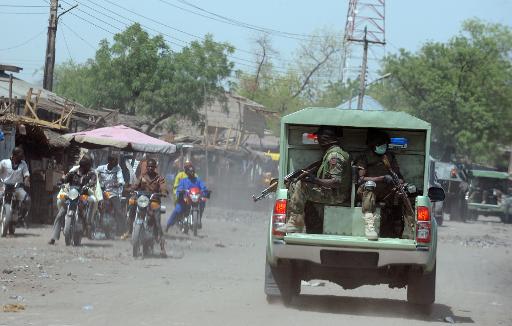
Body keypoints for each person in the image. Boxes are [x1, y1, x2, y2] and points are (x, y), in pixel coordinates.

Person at [279, 126, 351, 234]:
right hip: (330, 192)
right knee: (296, 183)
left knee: (301, 185)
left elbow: (336, 182)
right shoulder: (330, 153)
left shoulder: (334, 155)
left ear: (324, 139)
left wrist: (314, 180)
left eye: (319, 138)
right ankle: (294, 220)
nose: (318, 141)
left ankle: (295, 223)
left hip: (336, 195)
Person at [354, 129, 414, 240]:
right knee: (369, 186)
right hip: (367, 192)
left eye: (384, 144)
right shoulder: (364, 157)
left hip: (387, 192)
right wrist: (381, 178)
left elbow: (399, 177)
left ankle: (409, 228)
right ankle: (369, 226)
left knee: (405, 192)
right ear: (372, 145)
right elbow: (360, 179)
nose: (383, 146)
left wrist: (398, 182)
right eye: (379, 144)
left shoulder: (389, 157)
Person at [48, 155, 98, 245]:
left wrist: (90, 184)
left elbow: (94, 180)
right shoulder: (73, 173)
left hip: (83, 196)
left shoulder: (91, 174)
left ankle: (88, 223)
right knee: (60, 214)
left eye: (87, 165)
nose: (86, 167)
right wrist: (60, 183)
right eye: (85, 165)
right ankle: (53, 237)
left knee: (92, 201)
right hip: (72, 196)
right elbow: (64, 179)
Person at [122, 159, 167, 246]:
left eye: (152, 167)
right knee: (131, 206)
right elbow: (135, 186)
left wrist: (163, 192)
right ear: (146, 167)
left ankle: (160, 240)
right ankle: (129, 229)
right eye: (149, 166)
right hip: (143, 199)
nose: (150, 168)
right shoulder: (142, 176)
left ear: (155, 168)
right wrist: (129, 189)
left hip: (154, 200)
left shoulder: (159, 178)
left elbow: (163, 187)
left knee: (157, 221)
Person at [166, 164, 208, 232]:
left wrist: (205, 192)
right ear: (186, 172)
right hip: (185, 199)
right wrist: (180, 191)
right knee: (177, 210)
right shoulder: (183, 180)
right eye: (189, 171)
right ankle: (168, 224)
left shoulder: (198, 180)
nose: (191, 173)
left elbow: (203, 187)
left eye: (192, 171)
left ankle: (199, 218)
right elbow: (179, 188)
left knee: (203, 201)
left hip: (195, 199)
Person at [0, 147, 31, 230]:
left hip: (17, 187)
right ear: (14, 155)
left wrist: (26, 180)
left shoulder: (23, 164)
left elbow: (26, 174)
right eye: (21, 155)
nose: (23, 156)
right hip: (5, 186)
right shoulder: (4, 162)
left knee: (27, 199)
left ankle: (22, 217)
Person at [96, 155, 125, 235]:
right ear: (109, 162)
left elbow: (121, 179)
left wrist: (119, 183)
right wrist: (95, 179)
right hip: (100, 192)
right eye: (114, 162)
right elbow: (93, 174)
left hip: (112, 193)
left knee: (119, 211)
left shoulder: (118, 169)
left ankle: (121, 230)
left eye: (116, 162)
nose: (116, 164)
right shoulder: (100, 168)